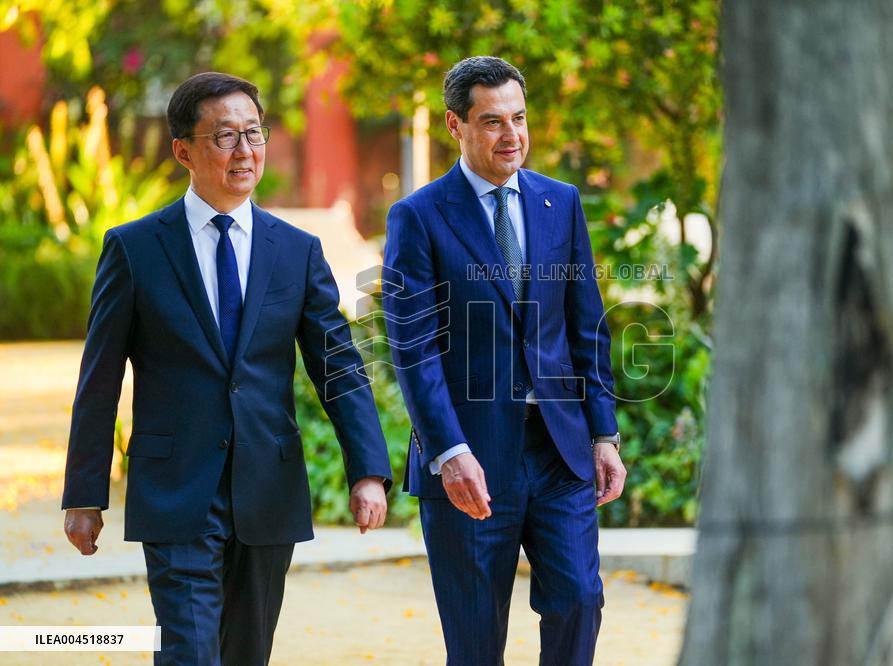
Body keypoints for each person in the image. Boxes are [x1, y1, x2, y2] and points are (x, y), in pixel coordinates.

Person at [61, 71, 392, 665]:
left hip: (268, 488)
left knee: (246, 654)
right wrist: (84, 494)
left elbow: (337, 365)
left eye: (254, 134)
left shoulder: (297, 250)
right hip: (176, 490)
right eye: (224, 137)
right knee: (189, 651)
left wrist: (368, 469)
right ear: (183, 150)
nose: (245, 151)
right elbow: (100, 377)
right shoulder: (135, 248)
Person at [383, 56, 626, 666]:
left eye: (519, 118)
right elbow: (414, 349)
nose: (512, 135)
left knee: (578, 600)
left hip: (558, 450)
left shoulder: (560, 203)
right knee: (475, 643)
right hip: (469, 459)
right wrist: (449, 450)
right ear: (454, 125)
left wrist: (604, 433)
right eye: (492, 122)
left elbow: (585, 327)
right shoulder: (418, 216)